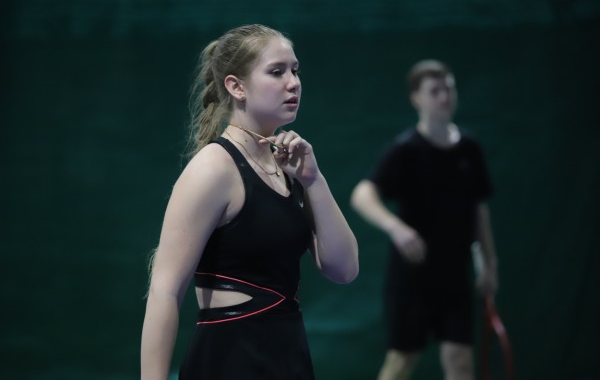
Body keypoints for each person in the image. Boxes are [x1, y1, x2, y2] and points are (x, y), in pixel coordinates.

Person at [140, 24, 359, 380]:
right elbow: (165, 290)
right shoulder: (213, 168)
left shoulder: (291, 166)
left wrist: (314, 180)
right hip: (230, 359)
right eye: (276, 72)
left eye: (295, 70)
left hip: (289, 357)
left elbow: (344, 269)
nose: (293, 83)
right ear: (236, 86)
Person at [350, 59, 498, 380]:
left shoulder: (470, 148)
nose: (444, 97)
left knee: (460, 361)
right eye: (435, 91)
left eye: (449, 89)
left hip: (455, 276)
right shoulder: (405, 149)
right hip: (412, 277)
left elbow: (479, 211)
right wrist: (396, 228)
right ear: (416, 98)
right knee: (401, 361)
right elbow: (362, 194)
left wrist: (489, 263)